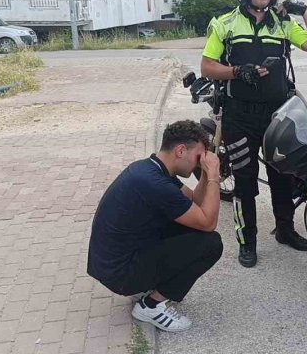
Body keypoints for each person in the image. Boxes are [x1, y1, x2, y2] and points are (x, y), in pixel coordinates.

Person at [200, 0, 307, 268]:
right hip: (239, 116)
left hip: (278, 116)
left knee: (283, 178)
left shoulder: (282, 24)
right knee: (245, 181)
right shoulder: (224, 24)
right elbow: (206, 67)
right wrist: (235, 72)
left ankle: (285, 230)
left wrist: (304, 11)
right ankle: (248, 241)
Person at [87, 120, 223, 332]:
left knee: (190, 226)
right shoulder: (157, 185)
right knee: (211, 243)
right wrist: (214, 176)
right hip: (121, 274)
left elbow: (195, 202)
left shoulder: (152, 169)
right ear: (180, 150)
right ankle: (151, 306)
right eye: (198, 156)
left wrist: (205, 175)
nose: (200, 162)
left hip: (115, 263)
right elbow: (208, 222)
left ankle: (149, 288)